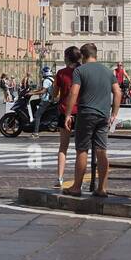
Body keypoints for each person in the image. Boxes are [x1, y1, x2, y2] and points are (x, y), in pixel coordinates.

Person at [63, 43, 121, 197]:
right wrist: (114, 113)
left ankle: (76, 187)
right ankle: (102, 188)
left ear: (82, 56)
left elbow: (74, 92)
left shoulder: (80, 70)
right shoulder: (108, 72)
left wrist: (68, 114)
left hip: (86, 113)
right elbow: (118, 92)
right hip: (104, 115)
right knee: (102, 151)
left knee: (82, 150)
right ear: (95, 55)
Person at [52, 46, 81, 188]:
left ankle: (60, 177)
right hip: (80, 112)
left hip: (64, 111)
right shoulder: (82, 71)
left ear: (67, 57)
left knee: (63, 147)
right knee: (80, 149)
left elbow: (54, 93)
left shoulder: (61, 73)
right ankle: (78, 181)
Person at [30, 65, 55, 139]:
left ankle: (35, 133)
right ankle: (37, 120)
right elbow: (43, 89)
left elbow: (43, 91)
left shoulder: (46, 80)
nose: (41, 74)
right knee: (33, 102)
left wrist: (33, 93)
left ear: (45, 73)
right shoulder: (51, 79)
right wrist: (33, 91)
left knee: (37, 115)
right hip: (49, 99)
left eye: (42, 72)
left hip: (46, 100)